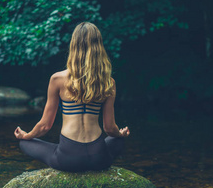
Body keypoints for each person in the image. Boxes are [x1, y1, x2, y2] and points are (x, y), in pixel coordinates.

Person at [14, 22, 130, 172]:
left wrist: (27, 135)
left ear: (74, 46)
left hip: (68, 159)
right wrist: (120, 134)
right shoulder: (108, 82)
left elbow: (45, 126)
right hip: (99, 158)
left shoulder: (57, 79)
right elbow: (109, 128)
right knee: (118, 140)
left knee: (24, 143)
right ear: (99, 48)